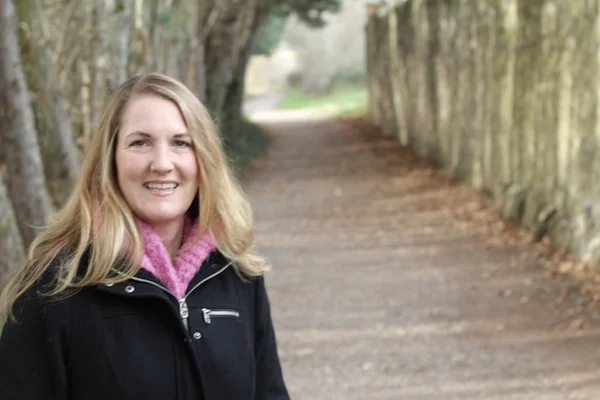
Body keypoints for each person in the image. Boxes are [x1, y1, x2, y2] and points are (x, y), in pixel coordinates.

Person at [0, 73, 290, 400]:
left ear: (204, 159)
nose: (162, 163)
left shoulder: (238, 275)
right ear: (110, 159)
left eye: (181, 143)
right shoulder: (55, 289)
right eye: (140, 142)